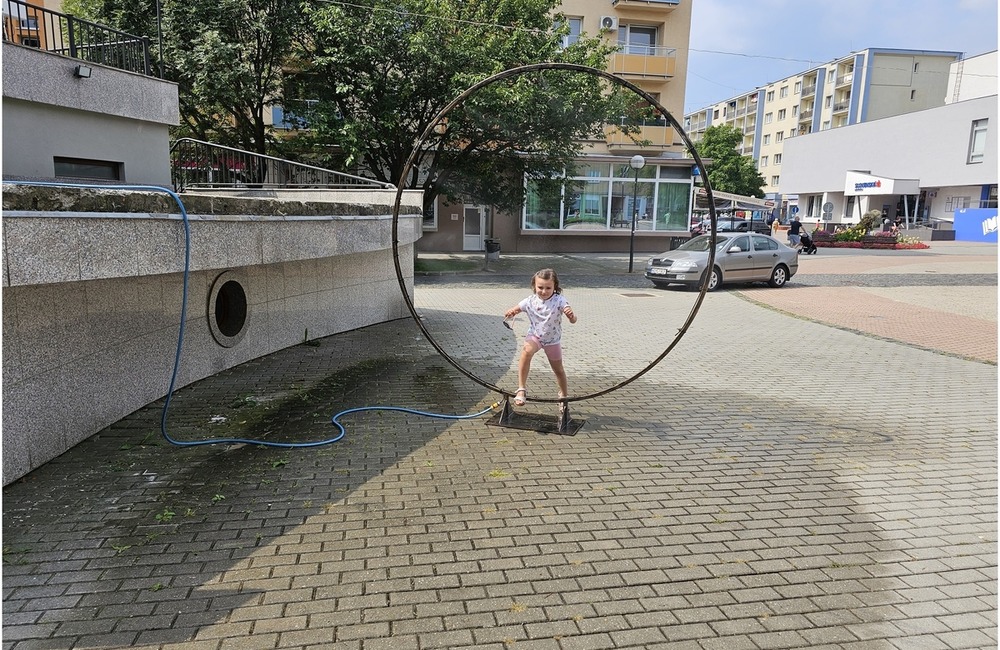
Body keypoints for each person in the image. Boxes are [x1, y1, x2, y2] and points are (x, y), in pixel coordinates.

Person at [503, 268, 577, 413]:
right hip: (535, 336)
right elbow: (515, 309)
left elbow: (574, 320)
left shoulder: (560, 300)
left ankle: (563, 397)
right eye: (540, 287)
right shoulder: (530, 301)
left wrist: (571, 316)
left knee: (559, 370)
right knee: (526, 351)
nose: (544, 291)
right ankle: (521, 389)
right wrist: (510, 312)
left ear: (555, 287)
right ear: (534, 286)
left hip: (552, 340)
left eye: (548, 288)